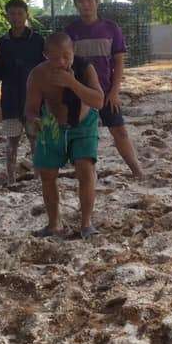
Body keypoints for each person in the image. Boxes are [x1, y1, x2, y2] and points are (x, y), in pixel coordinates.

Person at [25, 32, 105, 239]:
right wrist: (34, 120)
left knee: (85, 170)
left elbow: (98, 101)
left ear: (74, 52)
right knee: (47, 175)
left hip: (84, 123)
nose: (61, 62)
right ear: (45, 55)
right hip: (52, 124)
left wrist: (72, 83)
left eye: (66, 56)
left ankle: (86, 223)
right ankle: (54, 224)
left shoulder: (85, 68)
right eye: (55, 57)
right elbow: (31, 108)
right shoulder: (37, 74)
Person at [65, 0, 144, 180]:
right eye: (80, 1)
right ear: (75, 4)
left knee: (120, 132)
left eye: (89, 0)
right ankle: (84, 173)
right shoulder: (70, 31)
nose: (85, 5)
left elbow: (118, 62)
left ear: (97, 2)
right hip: (81, 94)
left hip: (107, 92)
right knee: (81, 136)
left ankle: (137, 170)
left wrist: (115, 92)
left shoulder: (111, 28)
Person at [0, 0, 46, 186]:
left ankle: (39, 178)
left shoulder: (38, 41)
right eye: (12, 13)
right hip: (11, 101)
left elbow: (46, 68)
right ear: (7, 16)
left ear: (27, 15)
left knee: (35, 141)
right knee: (11, 142)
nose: (16, 17)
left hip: (34, 101)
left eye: (20, 13)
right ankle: (11, 180)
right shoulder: (1, 43)